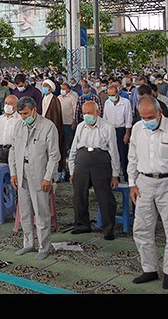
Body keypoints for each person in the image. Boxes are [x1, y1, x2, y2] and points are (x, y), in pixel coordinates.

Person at [128, 96, 168, 290]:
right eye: (143, 117)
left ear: (160, 113)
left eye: (150, 117)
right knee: (141, 228)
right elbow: (132, 157)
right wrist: (132, 183)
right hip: (144, 183)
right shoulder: (138, 129)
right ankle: (149, 269)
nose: (147, 121)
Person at [9, 97, 60, 260]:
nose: (23, 117)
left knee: (41, 213)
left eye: (25, 114)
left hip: (39, 174)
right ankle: (28, 243)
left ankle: (44, 247)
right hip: (22, 172)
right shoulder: (19, 126)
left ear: (34, 111)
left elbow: (54, 156)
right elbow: (13, 150)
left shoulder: (48, 127)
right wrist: (13, 172)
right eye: (20, 114)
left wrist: (48, 177)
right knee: (24, 212)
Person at [68, 101, 121, 239]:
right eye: (84, 113)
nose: (86, 116)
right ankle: (82, 225)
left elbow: (114, 152)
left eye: (89, 113)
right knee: (79, 195)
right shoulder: (80, 127)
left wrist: (115, 174)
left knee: (104, 196)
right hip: (82, 161)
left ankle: (108, 229)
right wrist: (72, 170)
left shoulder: (108, 128)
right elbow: (74, 150)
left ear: (97, 112)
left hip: (101, 163)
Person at [103, 83, 133, 182]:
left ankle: (126, 176)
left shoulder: (126, 102)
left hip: (121, 130)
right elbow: (105, 118)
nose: (111, 97)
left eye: (113, 95)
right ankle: (114, 176)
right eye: (109, 95)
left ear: (118, 93)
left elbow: (128, 119)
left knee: (123, 154)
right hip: (110, 130)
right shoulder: (107, 103)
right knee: (111, 153)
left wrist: (127, 134)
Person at [41, 79, 67, 174]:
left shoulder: (54, 100)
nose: (44, 88)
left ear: (51, 88)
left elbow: (56, 116)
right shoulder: (43, 98)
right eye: (43, 86)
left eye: (46, 86)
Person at [0, 94, 19, 163]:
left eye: (11, 103)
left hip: (13, 151)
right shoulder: (0, 119)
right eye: (6, 103)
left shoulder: (19, 120)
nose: (7, 105)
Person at [58, 83, 78, 157]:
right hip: (60, 122)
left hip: (69, 122)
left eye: (64, 89)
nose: (62, 90)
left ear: (68, 90)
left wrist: (74, 121)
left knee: (70, 139)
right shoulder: (58, 97)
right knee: (62, 139)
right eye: (62, 88)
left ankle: (71, 154)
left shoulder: (72, 98)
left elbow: (75, 110)